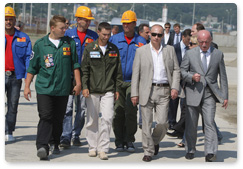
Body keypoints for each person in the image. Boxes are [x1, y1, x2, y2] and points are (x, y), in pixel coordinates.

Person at [24, 15, 81, 160]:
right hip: (44, 88)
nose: (65, 30)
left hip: (62, 88)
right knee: (45, 116)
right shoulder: (41, 44)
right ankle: (42, 146)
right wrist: (27, 87)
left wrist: (78, 83)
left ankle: (55, 142)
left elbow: (75, 64)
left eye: (66, 27)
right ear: (52, 28)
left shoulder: (69, 43)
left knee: (58, 118)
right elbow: (32, 67)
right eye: (62, 28)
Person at [131, 24, 180, 162]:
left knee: (163, 122)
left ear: (163, 36)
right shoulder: (141, 51)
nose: (156, 37)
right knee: (146, 123)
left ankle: (154, 140)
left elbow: (176, 70)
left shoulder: (170, 50)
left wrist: (175, 87)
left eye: (159, 35)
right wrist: (134, 93)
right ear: (149, 35)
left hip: (164, 90)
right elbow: (136, 74)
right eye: (154, 34)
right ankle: (148, 151)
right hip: (146, 90)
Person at [180, 30, 228, 162]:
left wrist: (224, 96)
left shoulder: (218, 54)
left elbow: (223, 77)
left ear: (211, 40)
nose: (204, 44)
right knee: (191, 124)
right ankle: (190, 149)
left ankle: (211, 152)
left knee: (209, 123)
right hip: (193, 92)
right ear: (197, 41)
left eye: (207, 42)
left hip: (209, 94)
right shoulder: (190, 54)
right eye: (201, 42)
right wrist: (191, 77)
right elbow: (182, 71)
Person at [81, 22, 123, 160]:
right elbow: (85, 69)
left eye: (108, 34)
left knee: (107, 117)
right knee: (92, 119)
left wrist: (117, 89)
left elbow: (118, 71)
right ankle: (92, 147)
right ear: (98, 32)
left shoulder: (113, 49)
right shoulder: (89, 48)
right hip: (92, 89)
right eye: (104, 34)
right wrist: (84, 86)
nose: (106, 37)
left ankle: (103, 148)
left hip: (108, 90)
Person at [60, 6, 98, 148]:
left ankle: (76, 135)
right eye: (85, 20)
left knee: (81, 110)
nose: (88, 23)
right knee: (67, 108)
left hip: (85, 78)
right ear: (78, 20)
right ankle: (65, 136)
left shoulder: (93, 37)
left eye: (89, 20)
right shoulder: (68, 34)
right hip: (68, 77)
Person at [109, 10, 146, 153]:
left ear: (134, 24)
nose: (125, 26)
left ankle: (129, 139)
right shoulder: (115, 39)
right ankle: (119, 140)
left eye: (128, 23)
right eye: (124, 23)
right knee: (118, 111)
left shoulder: (141, 42)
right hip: (117, 82)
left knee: (131, 111)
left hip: (134, 82)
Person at [5, 6, 31, 142]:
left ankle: (9, 131)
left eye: (10, 19)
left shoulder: (23, 38)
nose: (8, 22)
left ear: (15, 20)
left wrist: (27, 81)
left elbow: (28, 59)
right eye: (5, 19)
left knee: (12, 104)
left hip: (15, 76)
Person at [167, 29, 191, 134]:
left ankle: (181, 126)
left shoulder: (191, 49)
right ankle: (172, 122)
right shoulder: (174, 48)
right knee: (173, 102)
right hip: (175, 79)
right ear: (183, 37)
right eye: (188, 39)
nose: (189, 41)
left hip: (186, 81)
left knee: (184, 105)